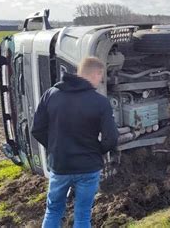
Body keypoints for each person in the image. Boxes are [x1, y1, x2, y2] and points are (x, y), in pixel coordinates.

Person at [31, 56, 119, 228]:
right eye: (101, 77)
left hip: (60, 165)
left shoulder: (50, 95)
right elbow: (111, 139)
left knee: (54, 210)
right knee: (83, 215)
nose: (101, 81)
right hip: (88, 167)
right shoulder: (100, 102)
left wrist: (55, 148)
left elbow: (37, 129)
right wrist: (96, 151)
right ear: (96, 74)